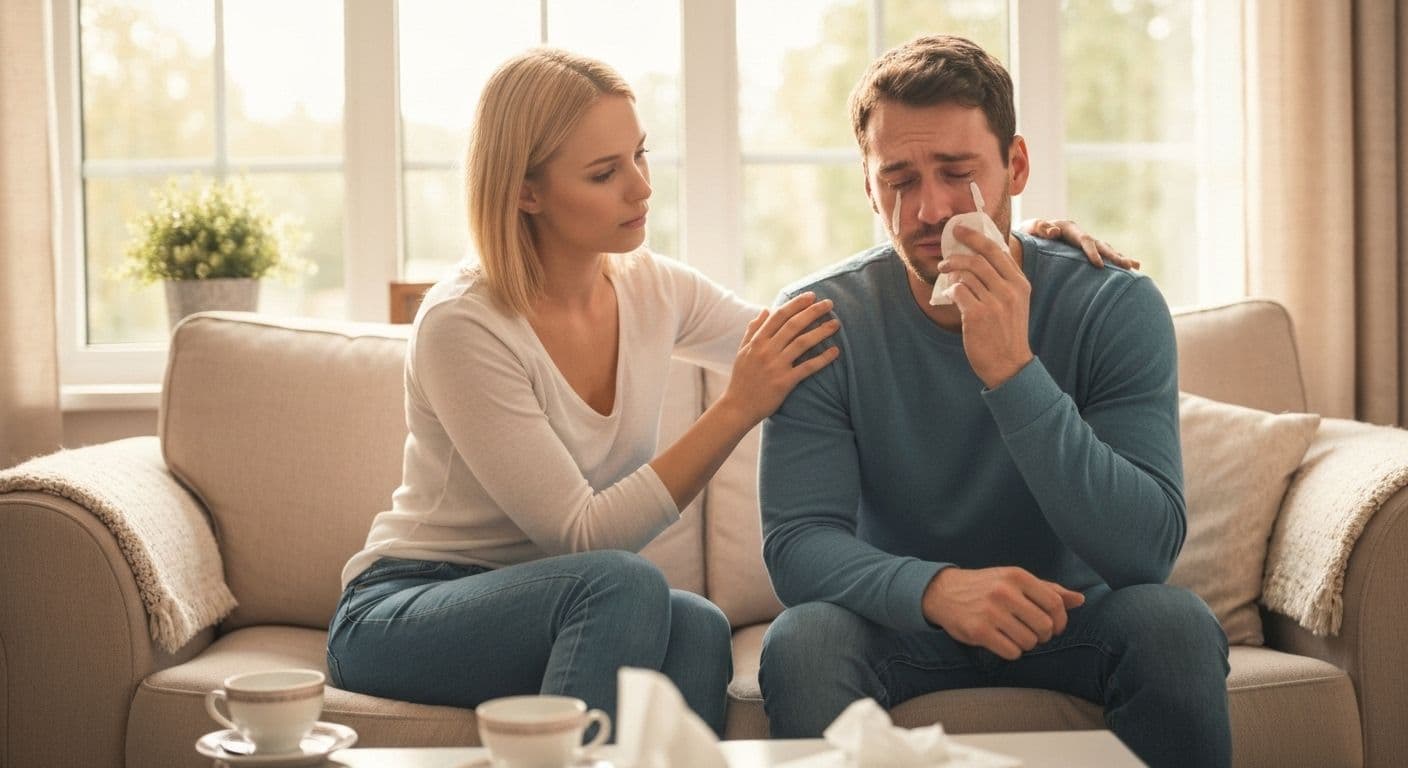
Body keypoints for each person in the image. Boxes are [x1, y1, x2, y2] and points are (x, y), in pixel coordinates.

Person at [326, 47, 1131, 736]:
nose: (641, 190)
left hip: (568, 601)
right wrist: (737, 404)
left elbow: (829, 336)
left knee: (699, 629)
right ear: (526, 191)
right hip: (411, 606)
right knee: (625, 583)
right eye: (605, 174)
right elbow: (582, 537)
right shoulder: (465, 325)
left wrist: (1015, 245)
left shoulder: (651, 289)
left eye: (640, 157)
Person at [757, 35, 1231, 768]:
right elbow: (797, 546)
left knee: (1175, 625)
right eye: (899, 179)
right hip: (901, 621)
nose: (930, 208)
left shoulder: (1113, 305)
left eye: (956, 171)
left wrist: (1013, 371)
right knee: (806, 640)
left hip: (1069, 617)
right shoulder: (824, 318)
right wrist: (935, 589)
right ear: (867, 186)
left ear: (1015, 167)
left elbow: (1147, 551)